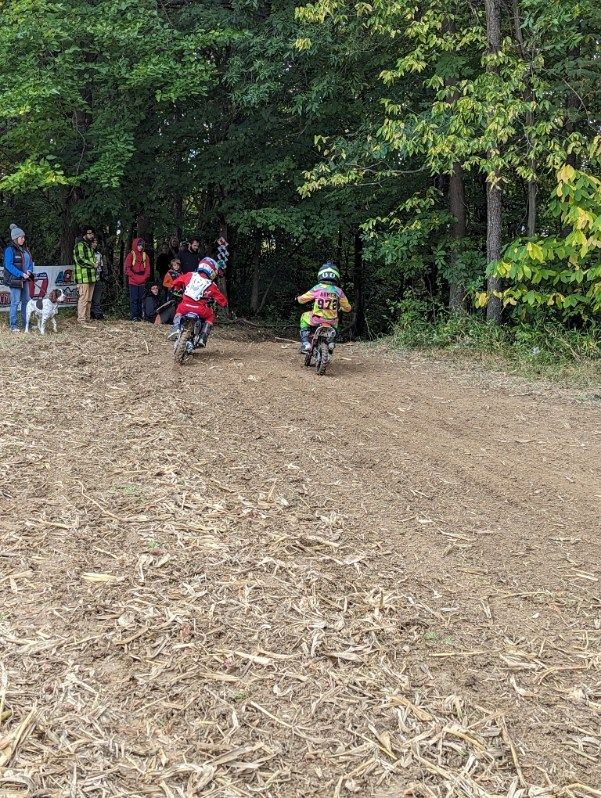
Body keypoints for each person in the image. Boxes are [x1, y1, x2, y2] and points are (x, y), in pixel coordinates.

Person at [296, 261, 352, 354]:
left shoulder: (317, 288)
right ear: (336, 276)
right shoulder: (338, 291)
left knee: (304, 316)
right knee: (336, 322)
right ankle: (332, 342)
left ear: (321, 275)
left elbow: (302, 300)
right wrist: (343, 308)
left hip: (317, 319)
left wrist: (298, 298)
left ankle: (306, 343)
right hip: (332, 321)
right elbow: (348, 308)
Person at [167, 265, 228, 347]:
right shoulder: (211, 285)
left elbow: (176, 282)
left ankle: (176, 327)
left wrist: (177, 289)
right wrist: (224, 304)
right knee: (210, 316)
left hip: (185, 306)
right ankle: (203, 337)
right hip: (200, 310)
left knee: (179, 310)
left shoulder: (190, 275)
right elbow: (222, 300)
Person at [3, 224, 34, 332]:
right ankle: (13, 325)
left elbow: (30, 263)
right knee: (15, 302)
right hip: (15, 280)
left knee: (26, 302)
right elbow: (8, 265)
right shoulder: (9, 250)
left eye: (24, 237)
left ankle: (26, 324)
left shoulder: (26, 249)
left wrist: (29, 271)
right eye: (21, 237)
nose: (23, 239)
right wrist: (21, 274)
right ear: (16, 238)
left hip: (25, 280)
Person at [73, 225, 98, 324]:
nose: (92, 235)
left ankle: (87, 318)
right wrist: (93, 264)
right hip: (83, 277)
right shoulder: (80, 245)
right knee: (83, 298)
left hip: (91, 276)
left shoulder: (89, 246)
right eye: (89, 233)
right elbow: (80, 260)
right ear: (85, 234)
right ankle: (81, 319)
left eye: (92, 233)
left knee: (89, 299)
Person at [124, 237, 150, 321]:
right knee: (134, 300)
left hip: (142, 280)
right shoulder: (131, 255)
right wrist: (135, 277)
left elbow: (148, 269)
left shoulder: (145, 256)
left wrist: (144, 278)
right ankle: (134, 316)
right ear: (135, 245)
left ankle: (140, 316)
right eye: (139, 245)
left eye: (142, 245)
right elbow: (127, 269)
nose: (140, 247)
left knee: (141, 299)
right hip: (133, 281)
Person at [90, 237, 105, 320]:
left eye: (96, 242)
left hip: (97, 278)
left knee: (97, 297)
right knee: (88, 298)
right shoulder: (87, 253)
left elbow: (101, 266)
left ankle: (97, 313)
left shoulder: (99, 254)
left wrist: (102, 274)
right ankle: (89, 312)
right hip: (89, 279)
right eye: (93, 242)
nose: (95, 244)